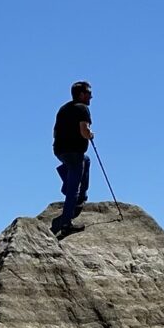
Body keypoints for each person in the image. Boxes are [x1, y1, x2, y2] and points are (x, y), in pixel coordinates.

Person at [51, 81, 94, 235]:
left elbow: (55, 131)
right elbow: (84, 131)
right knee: (72, 188)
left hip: (60, 150)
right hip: (74, 151)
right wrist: (90, 135)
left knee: (86, 160)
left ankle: (80, 195)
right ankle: (66, 224)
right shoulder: (83, 109)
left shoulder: (63, 109)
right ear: (82, 94)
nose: (91, 96)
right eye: (89, 93)